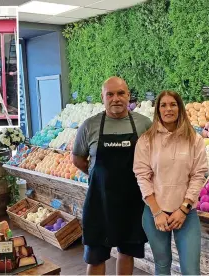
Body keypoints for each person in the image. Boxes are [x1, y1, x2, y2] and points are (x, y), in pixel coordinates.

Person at [72, 76, 152, 275]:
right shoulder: (89, 126)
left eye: (121, 93)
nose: (116, 98)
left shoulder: (144, 124)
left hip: (131, 203)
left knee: (126, 253)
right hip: (100, 202)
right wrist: (97, 176)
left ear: (128, 96)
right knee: (96, 256)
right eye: (110, 94)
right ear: (103, 97)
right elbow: (78, 159)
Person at [133, 90, 207, 275]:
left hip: (186, 214)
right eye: (163, 105)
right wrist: (157, 212)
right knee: (162, 266)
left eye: (173, 104)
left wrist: (183, 209)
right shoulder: (146, 140)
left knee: (191, 270)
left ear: (180, 108)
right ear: (157, 109)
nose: (168, 109)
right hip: (154, 213)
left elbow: (198, 175)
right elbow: (142, 176)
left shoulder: (194, 140)